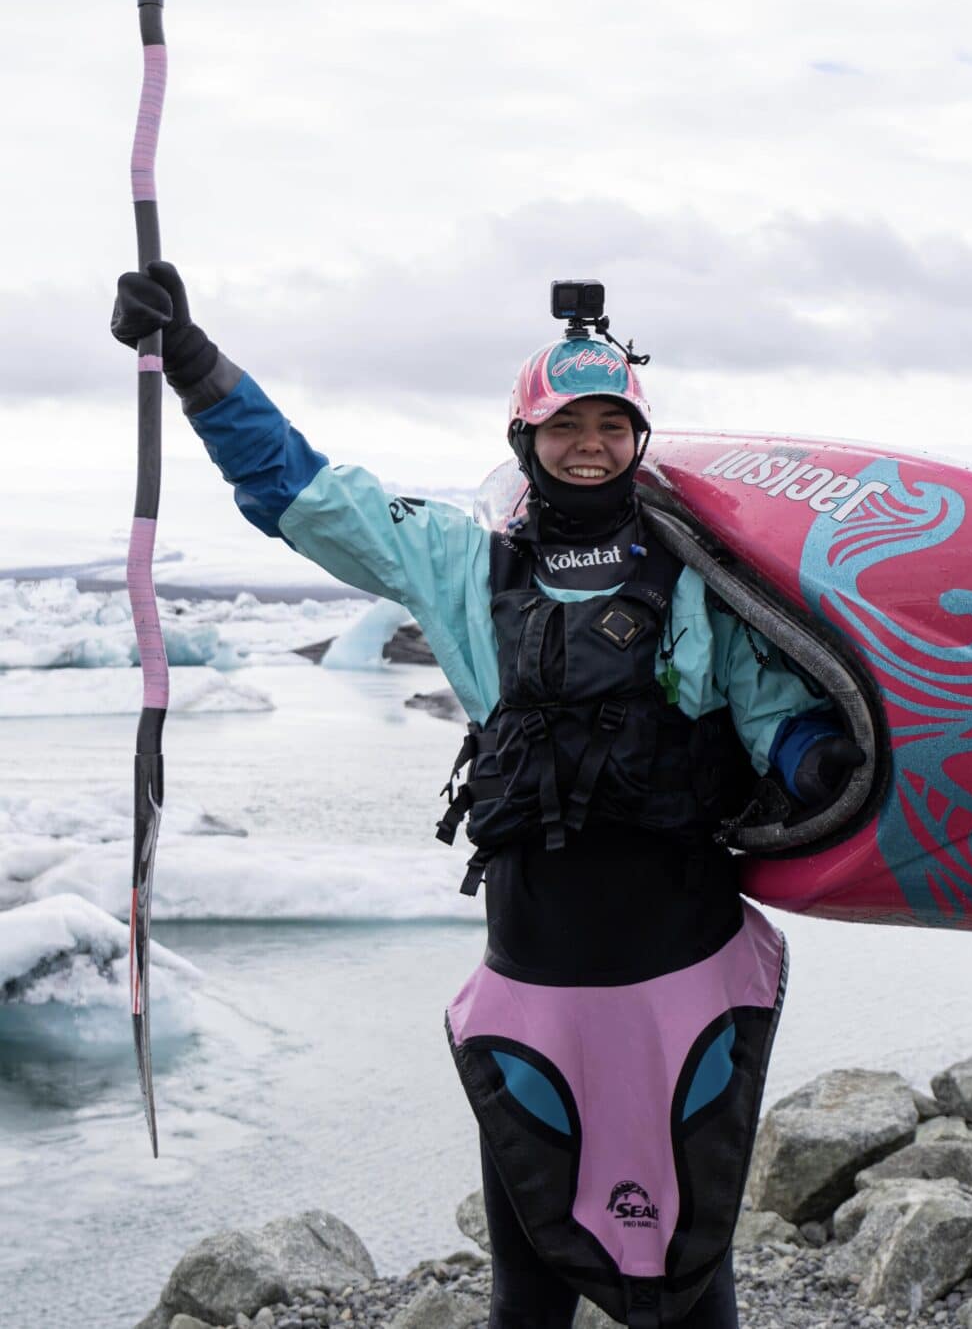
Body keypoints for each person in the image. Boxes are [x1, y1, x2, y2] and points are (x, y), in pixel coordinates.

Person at [111, 264, 865, 1328]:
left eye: (611, 425)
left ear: (638, 439)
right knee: (529, 1284)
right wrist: (195, 366)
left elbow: (771, 710)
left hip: (686, 970)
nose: (589, 445)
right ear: (525, 438)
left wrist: (819, 764)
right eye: (565, 425)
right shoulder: (466, 566)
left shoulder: (702, 578)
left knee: (693, 1273)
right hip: (535, 982)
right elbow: (307, 496)